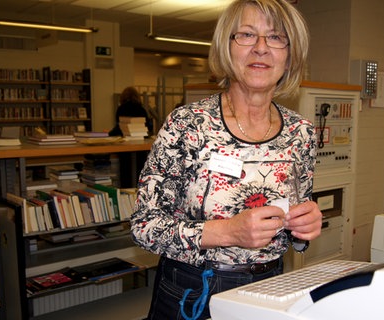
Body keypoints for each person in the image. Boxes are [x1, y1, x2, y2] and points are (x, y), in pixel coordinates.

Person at [130, 1, 322, 319]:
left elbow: (294, 219)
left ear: (290, 55)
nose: (261, 48)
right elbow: (144, 227)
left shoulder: (301, 133)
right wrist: (227, 232)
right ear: (226, 47)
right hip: (192, 290)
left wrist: (304, 227)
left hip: (269, 287)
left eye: (275, 37)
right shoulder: (187, 124)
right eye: (247, 34)